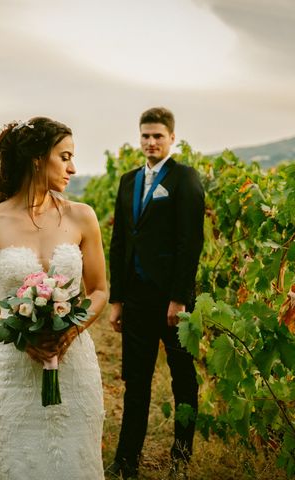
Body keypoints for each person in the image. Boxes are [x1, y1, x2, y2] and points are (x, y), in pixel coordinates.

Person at [0, 117, 108, 480]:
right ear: (38, 159)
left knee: (76, 461)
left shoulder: (83, 217)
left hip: (75, 365)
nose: (72, 167)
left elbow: (100, 290)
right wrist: (19, 334)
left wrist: (72, 331)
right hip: (13, 370)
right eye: (65, 156)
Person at [105, 107, 204, 479]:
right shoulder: (128, 181)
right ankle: (126, 460)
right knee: (136, 380)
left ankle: (181, 459)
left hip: (173, 300)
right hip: (136, 299)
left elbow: (190, 242)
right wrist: (117, 299)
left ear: (172, 139)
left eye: (158, 136)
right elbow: (118, 242)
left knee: (183, 379)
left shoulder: (185, 179)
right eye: (145, 135)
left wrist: (179, 298)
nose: (151, 142)